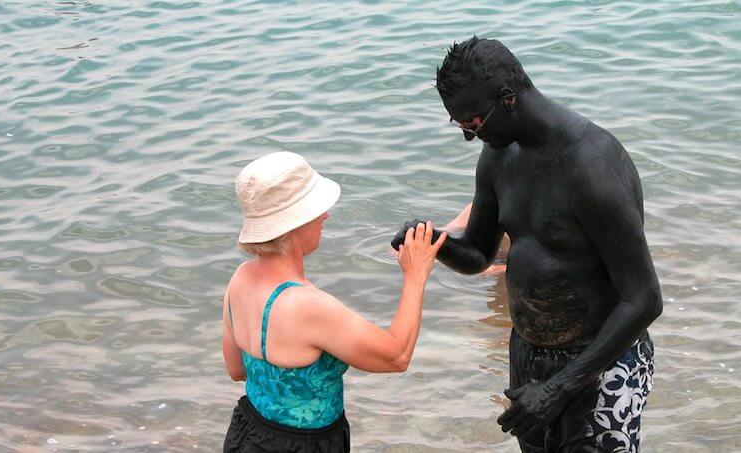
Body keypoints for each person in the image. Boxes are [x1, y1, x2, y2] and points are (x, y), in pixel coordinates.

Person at [391, 38, 663, 452]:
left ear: (508, 99)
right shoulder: (498, 157)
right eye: (460, 126)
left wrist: (560, 388)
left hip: (602, 362)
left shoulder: (591, 164)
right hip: (529, 360)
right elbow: (479, 254)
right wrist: (435, 242)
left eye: (474, 123)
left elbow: (644, 299)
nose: (470, 137)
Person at [222, 151, 447, 452]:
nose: (325, 215)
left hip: (247, 432)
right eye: (317, 209)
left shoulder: (240, 278)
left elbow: (237, 370)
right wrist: (415, 274)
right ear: (295, 223)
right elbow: (397, 355)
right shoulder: (305, 304)